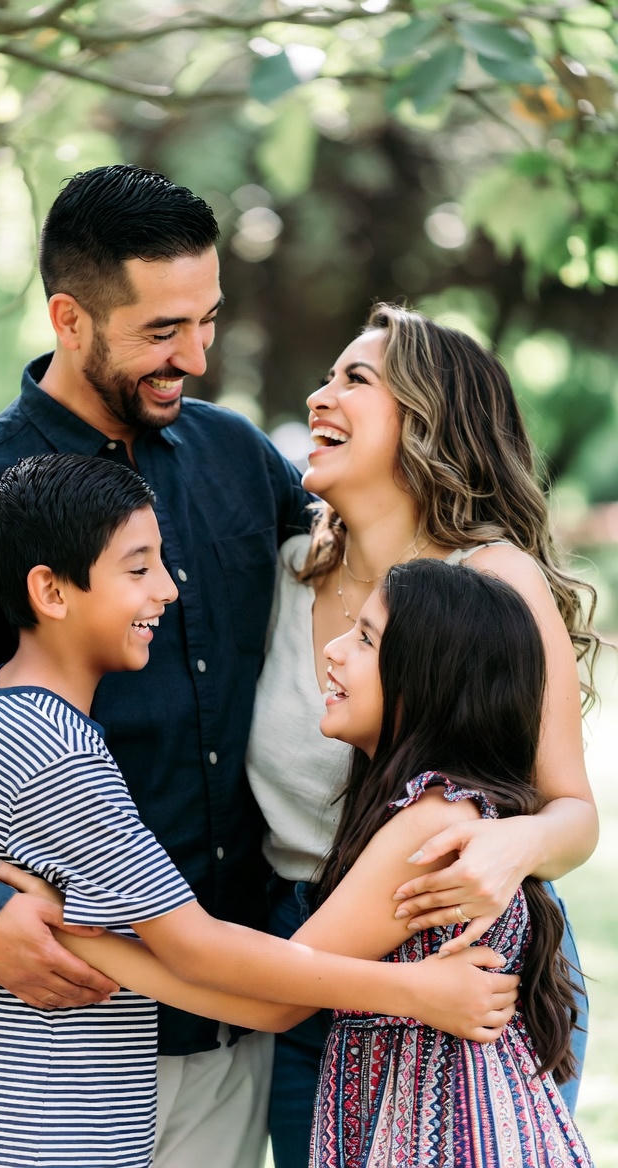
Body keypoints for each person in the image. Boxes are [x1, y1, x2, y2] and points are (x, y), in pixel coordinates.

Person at [0, 164, 310, 1168]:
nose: (193, 356)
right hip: (48, 1040)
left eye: (208, 321)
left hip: (232, 1031)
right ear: (69, 317)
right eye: (160, 331)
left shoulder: (239, 463)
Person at [0, 454, 519, 1167]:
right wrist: (414, 991)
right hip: (45, 1128)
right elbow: (194, 947)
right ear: (51, 592)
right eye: (139, 569)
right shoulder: (61, 757)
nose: (167, 589)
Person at [245, 304, 600, 1166]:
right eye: (326, 376)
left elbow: (574, 813)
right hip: (303, 949)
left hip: (467, 957)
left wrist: (510, 847)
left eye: (354, 379)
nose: (320, 394)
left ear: (429, 420)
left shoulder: (493, 581)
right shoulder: (282, 572)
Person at [307, 558, 593, 1166]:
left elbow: (273, 993)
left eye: (364, 637)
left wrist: (100, 941)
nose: (332, 651)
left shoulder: (434, 824)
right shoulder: (443, 808)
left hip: (432, 1136)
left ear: (429, 681)